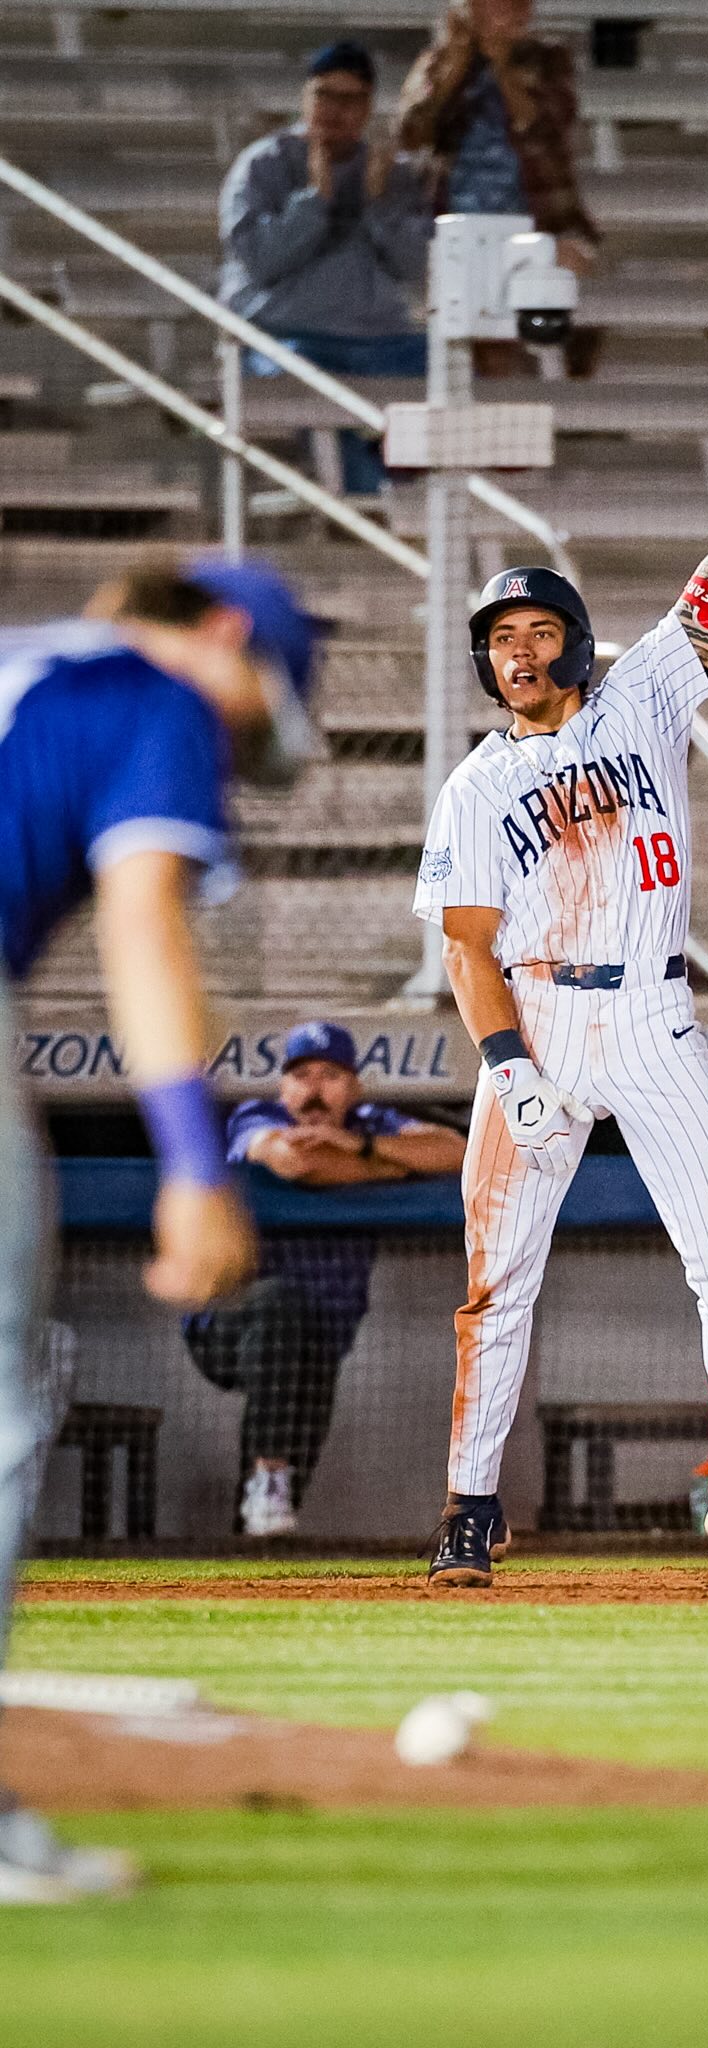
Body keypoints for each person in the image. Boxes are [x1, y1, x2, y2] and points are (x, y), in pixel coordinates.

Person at [413, 325, 708, 1588]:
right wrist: (506, 1065)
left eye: (532, 627)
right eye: (497, 635)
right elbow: (466, 947)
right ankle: (468, 1507)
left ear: (569, 633)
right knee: (492, 1283)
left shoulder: (646, 691)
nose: (515, 648)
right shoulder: (471, 785)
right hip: (541, 1028)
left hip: (656, 1021)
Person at [0, 553, 322, 1899]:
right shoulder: (158, 694)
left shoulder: (27, 659)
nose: (232, 757)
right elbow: (144, 925)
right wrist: (196, 1159)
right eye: (253, 724)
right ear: (229, 636)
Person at [184, 1022, 465, 1538]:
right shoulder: (257, 1115)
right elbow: (296, 1163)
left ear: (353, 1086)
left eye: (330, 1075)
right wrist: (392, 1166)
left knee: (274, 1513)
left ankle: (257, 1524)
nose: (314, 1089)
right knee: (280, 1303)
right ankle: (266, 1481)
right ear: (284, 1086)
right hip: (229, 1327)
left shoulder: (369, 1122)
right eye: (302, 1075)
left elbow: (453, 1153)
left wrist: (357, 1146)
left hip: (321, 1337)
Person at [219, 39, 433, 493]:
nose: (335, 110)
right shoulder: (264, 164)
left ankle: (413, 491)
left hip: (379, 339)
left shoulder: (389, 172)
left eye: (350, 99)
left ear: (368, 106)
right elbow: (260, 259)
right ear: (305, 97)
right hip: (288, 338)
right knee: (311, 385)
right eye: (324, 95)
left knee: (453, 373)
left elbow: (418, 266)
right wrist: (314, 200)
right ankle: (368, 508)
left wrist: (378, 206)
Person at [396, 0, 600, 375]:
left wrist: (500, 65)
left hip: (535, 217)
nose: (519, 9)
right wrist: (456, 63)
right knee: (470, 336)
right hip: (456, 221)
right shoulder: (440, 61)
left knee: (542, 317)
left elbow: (545, 123)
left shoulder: (548, 59)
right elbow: (411, 132)